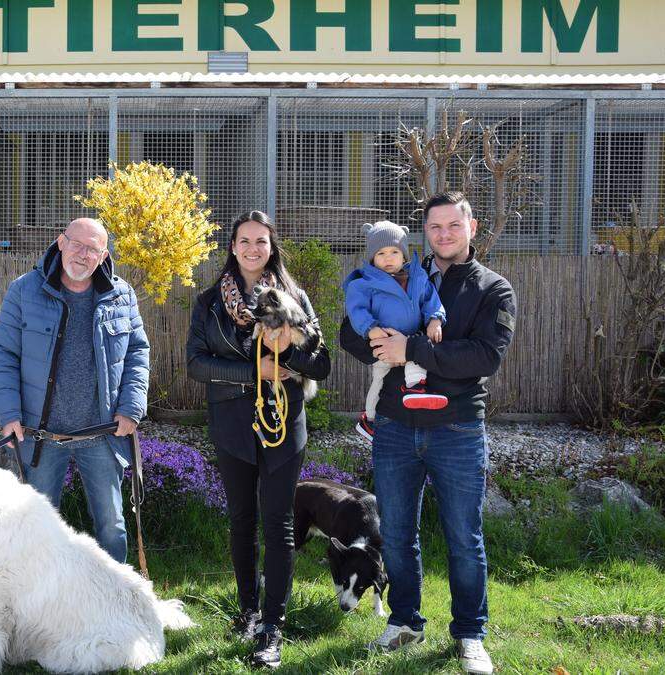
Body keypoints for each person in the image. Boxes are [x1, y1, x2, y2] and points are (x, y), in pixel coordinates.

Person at [339, 192, 516, 675]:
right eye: (434, 227)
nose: (443, 235)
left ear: (471, 227)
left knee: (464, 536)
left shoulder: (492, 289)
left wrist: (411, 349)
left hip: (457, 427)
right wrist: (377, 341)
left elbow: (483, 358)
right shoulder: (391, 274)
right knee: (395, 535)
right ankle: (405, 622)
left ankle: (470, 635)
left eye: (452, 226)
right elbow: (347, 335)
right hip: (396, 427)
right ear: (425, 233)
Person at [185, 210, 331, 669]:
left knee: (279, 524)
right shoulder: (209, 304)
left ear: (272, 248)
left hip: (284, 426)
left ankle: (273, 625)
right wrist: (255, 371)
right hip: (232, 426)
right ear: (232, 247)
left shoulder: (295, 297)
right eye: (244, 241)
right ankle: (248, 611)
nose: (252, 249)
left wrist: (289, 349)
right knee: (242, 521)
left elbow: (322, 365)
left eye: (261, 242)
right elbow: (196, 364)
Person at [0, 217, 149, 564]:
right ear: (60, 242)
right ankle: (41, 607)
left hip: (102, 433)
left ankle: (112, 603)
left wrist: (131, 408)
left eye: (93, 248)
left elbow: (138, 354)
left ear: (103, 255)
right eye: (77, 244)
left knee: (112, 527)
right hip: (41, 435)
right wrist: (9, 414)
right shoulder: (24, 291)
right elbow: (2, 354)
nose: (82, 254)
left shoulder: (122, 296)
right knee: (37, 530)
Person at [343, 220, 448, 442]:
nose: (388, 258)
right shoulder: (364, 283)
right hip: (383, 340)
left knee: (417, 362)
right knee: (379, 380)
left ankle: (416, 391)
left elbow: (431, 300)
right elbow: (357, 309)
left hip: (411, 339)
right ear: (372, 258)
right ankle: (369, 420)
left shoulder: (418, 278)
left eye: (394, 251)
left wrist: (435, 319)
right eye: (381, 253)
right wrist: (370, 328)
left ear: (404, 255)